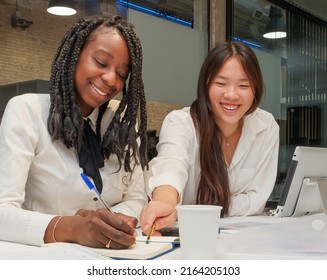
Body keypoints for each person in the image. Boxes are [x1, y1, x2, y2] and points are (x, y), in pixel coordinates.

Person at [0, 15, 148, 249]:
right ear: (74, 56)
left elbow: (136, 197)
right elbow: (2, 212)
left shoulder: (124, 124)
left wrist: (115, 220)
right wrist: (72, 228)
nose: (111, 80)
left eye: (121, 74)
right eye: (100, 62)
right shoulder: (26, 111)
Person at [141, 41, 279, 235]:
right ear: (205, 85)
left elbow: (257, 199)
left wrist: (196, 208)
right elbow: (171, 167)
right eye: (221, 83)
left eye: (243, 85)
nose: (231, 95)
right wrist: (165, 203)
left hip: (241, 238)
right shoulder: (181, 123)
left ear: (255, 89)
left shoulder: (266, 126)